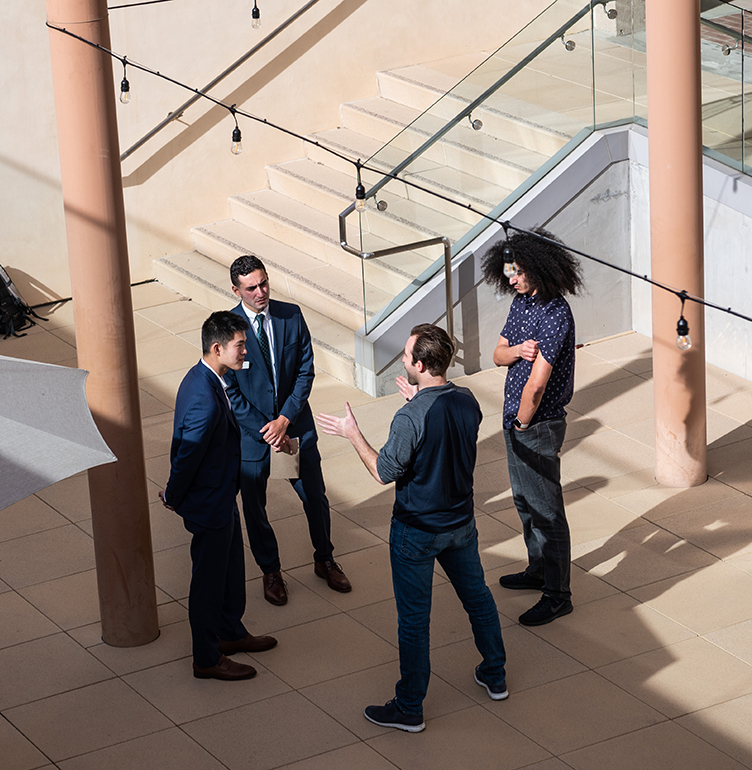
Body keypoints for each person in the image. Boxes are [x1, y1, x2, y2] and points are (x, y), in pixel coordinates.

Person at [317, 324, 506, 733]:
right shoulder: (467, 401)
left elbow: (383, 471)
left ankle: (409, 707)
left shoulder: (410, 416)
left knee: (415, 621)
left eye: (406, 356)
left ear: (420, 365)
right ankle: (495, 674)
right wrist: (419, 401)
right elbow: (442, 429)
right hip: (460, 524)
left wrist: (353, 434)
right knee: (478, 599)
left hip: (415, 532)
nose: (403, 360)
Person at [225, 255, 350, 606]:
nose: (261, 291)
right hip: (254, 437)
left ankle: (324, 558)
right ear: (237, 290)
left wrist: (284, 420)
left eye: (264, 283)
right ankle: (271, 571)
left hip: (294, 428)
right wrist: (265, 429)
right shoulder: (228, 328)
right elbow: (230, 389)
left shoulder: (290, 315)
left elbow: (305, 371)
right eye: (251, 288)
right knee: (255, 508)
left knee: (316, 497)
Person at [160, 311, 277, 680]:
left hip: (223, 495)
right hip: (210, 504)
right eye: (241, 345)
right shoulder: (204, 398)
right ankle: (207, 658)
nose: (247, 352)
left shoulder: (211, 380)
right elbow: (186, 455)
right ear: (217, 348)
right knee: (208, 582)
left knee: (230, 570)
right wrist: (174, 496)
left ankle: (230, 633)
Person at [483, 229, 582, 627]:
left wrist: (523, 423)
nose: (511, 279)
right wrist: (518, 351)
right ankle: (537, 568)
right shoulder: (522, 303)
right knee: (525, 503)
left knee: (547, 511)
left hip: (535, 424)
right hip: (515, 420)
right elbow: (497, 354)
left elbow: (537, 385)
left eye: (517, 272)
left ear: (539, 269)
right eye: (508, 272)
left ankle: (558, 594)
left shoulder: (556, 314)